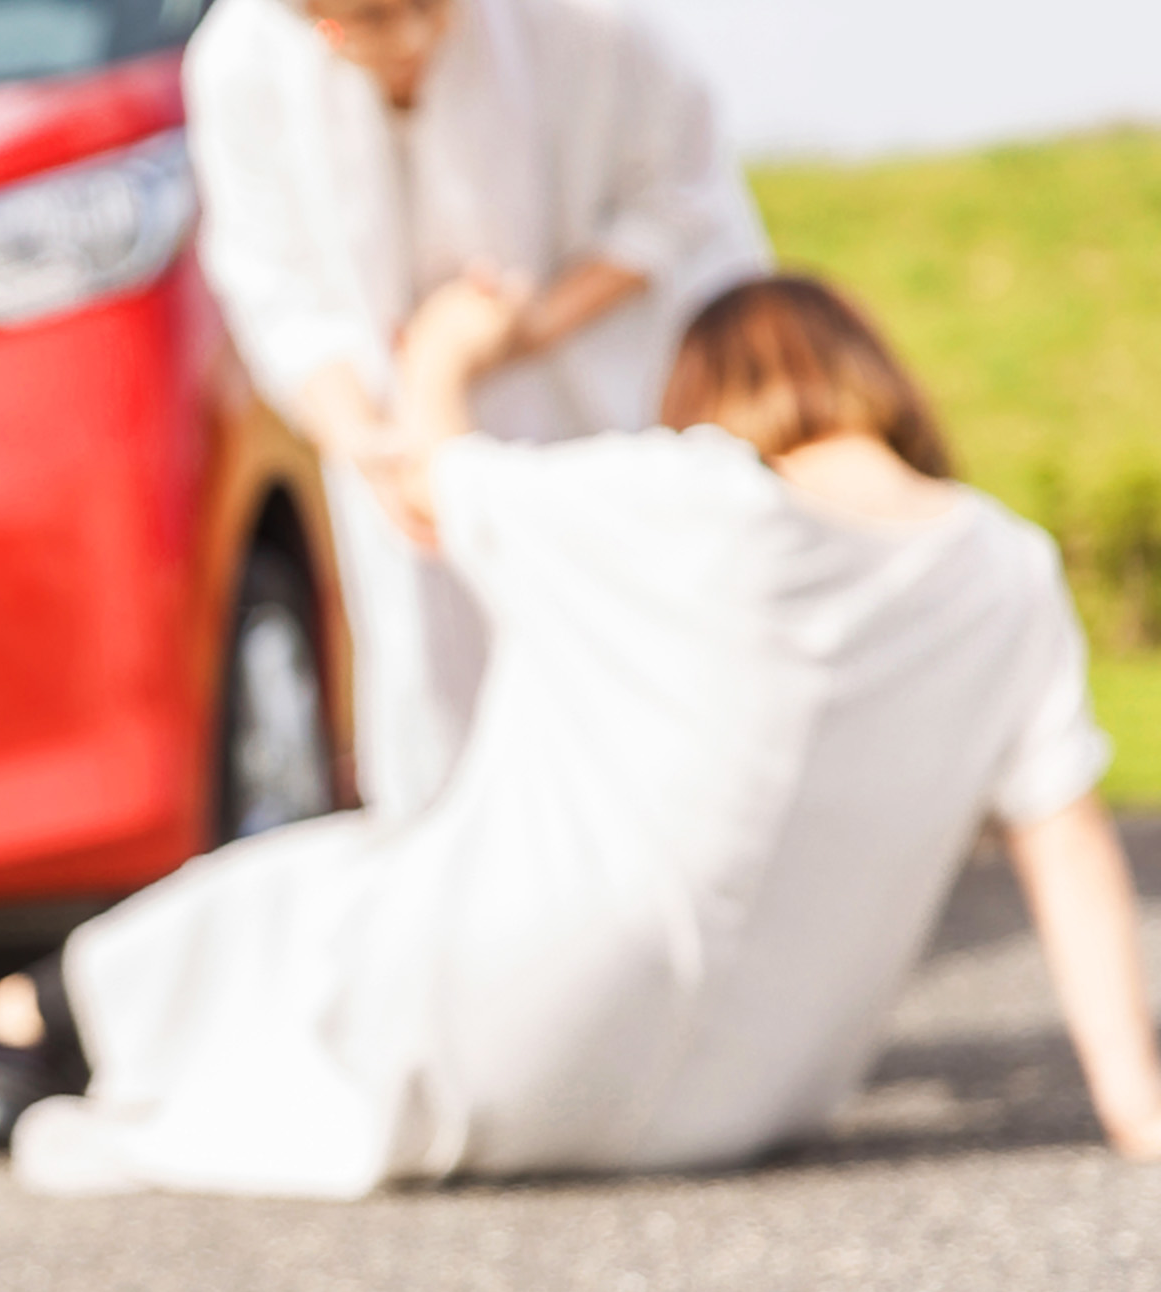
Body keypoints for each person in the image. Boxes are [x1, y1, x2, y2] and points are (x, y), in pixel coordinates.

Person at [0, 274, 1161, 1192]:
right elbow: (1066, 850)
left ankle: (22, 1027)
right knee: (344, 919)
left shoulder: (691, 495)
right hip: (747, 1108)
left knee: (322, 886)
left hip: (511, 1035)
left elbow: (429, 489)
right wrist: (1133, 1100)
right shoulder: (1006, 568)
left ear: (718, 398)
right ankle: (52, 1039)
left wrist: (445, 352)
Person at [186, 0, 771, 817]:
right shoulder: (241, 61)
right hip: (399, 443)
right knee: (446, 714)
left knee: (626, 692)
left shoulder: (588, 27)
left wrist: (527, 326)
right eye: (354, 25)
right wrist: (365, 435)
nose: (406, 45)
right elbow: (274, 288)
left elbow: (681, 196)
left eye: (425, 10)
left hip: (591, 412)